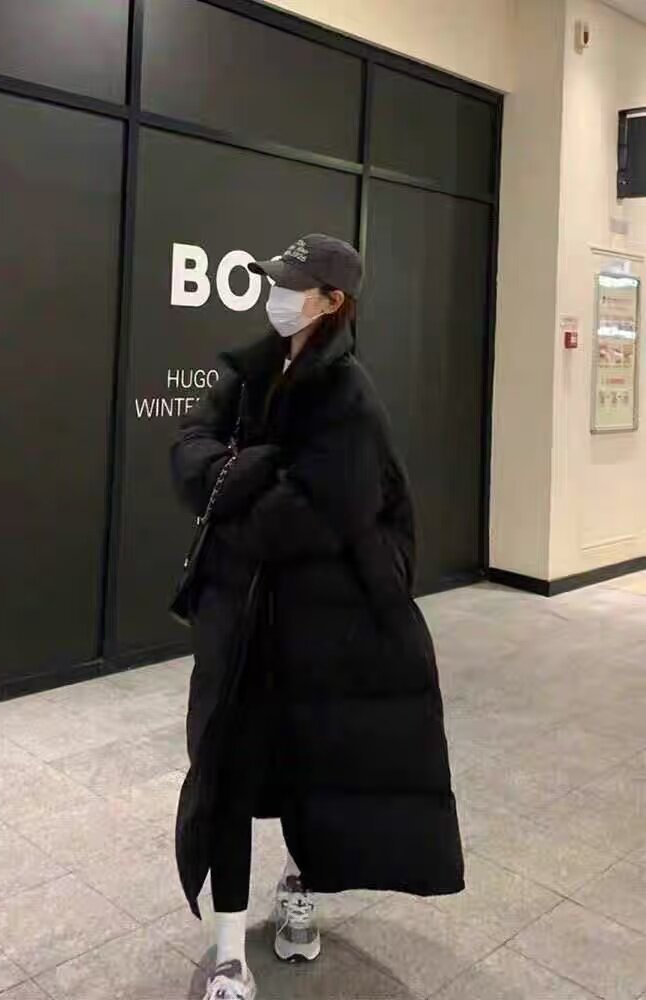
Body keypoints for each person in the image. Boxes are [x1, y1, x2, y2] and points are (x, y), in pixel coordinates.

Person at [171, 234, 464, 1000]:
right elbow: (189, 449)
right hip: (238, 624)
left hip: (324, 628)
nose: (276, 295)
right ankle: (228, 952)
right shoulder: (246, 372)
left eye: (292, 285)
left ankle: (300, 887)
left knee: (317, 766)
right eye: (275, 280)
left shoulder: (351, 399)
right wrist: (254, 468)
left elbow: (301, 520)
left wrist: (231, 491)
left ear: (333, 302)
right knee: (228, 775)